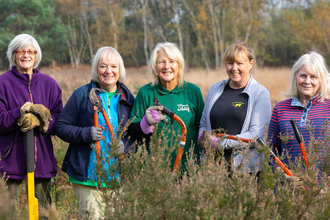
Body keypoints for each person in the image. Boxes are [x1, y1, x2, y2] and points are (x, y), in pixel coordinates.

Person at [55, 46, 135, 219]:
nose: (108, 71)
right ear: (95, 69)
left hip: (118, 178)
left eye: (113, 66)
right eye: (103, 66)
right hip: (87, 177)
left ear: (120, 70)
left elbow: (136, 136)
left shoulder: (128, 99)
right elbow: (60, 127)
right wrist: (86, 133)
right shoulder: (82, 95)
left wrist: (125, 146)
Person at [0, 34, 63, 219]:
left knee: (44, 214)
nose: (26, 55)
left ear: (36, 55)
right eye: (21, 51)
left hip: (42, 162)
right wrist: (19, 113)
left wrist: (43, 123)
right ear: (13, 54)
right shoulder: (3, 83)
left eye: (30, 51)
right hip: (11, 162)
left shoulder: (49, 83)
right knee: (7, 213)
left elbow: (60, 118)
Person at [126, 42, 204, 172]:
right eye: (161, 62)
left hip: (188, 169)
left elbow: (202, 125)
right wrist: (145, 123)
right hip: (155, 171)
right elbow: (131, 131)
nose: (167, 67)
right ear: (155, 67)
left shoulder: (193, 92)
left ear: (179, 66)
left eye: (172, 61)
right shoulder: (146, 92)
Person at [198, 41, 271, 174]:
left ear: (251, 63)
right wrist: (203, 138)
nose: (234, 68)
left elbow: (255, 135)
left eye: (239, 63)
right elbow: (203, 123)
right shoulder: (215, 88)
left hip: (244, 169)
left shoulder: (260, 93)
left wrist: (220, 144)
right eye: (230, 63)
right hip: (211, 167)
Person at [267, 51, 330, 184]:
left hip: (323, 189)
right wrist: (282, 175)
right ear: (296, 77)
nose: (307, 81)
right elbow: (271, 151)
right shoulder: (280, 108)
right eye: (303, 76)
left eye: (313, 77)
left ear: (321, 80)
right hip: (288, 190)